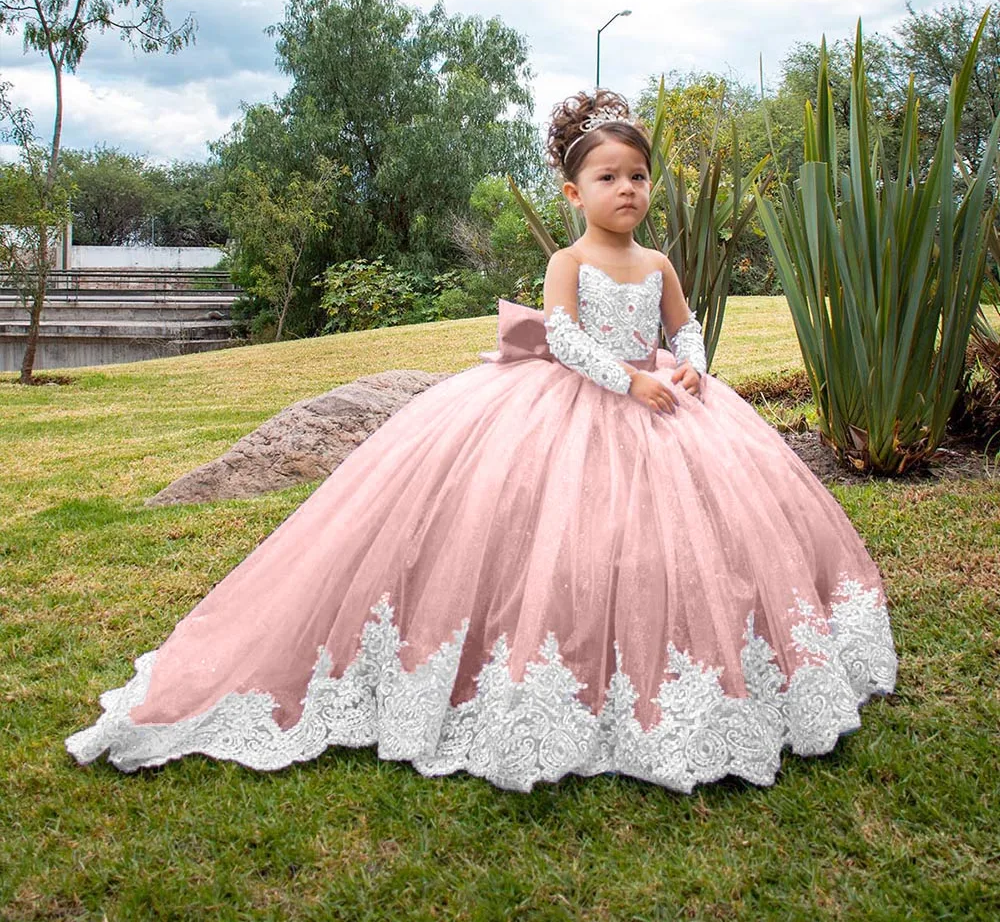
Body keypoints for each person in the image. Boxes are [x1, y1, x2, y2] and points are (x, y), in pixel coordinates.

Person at [66, 89, 897, 794]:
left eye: (638, 176)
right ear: (573, 192)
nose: (628, 190)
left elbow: (688, 331)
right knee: (535, 535)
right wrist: (627, 379)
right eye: (608, 177)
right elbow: (564, 338)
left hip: (666, 409)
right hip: (573, 402)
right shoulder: (570, 261)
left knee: (680, 542)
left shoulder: (660, 263)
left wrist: (688, 371)